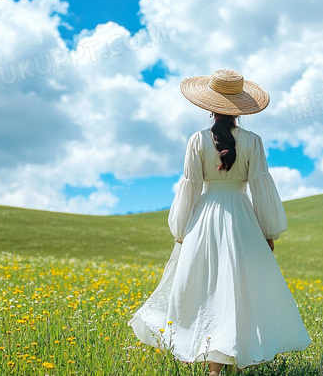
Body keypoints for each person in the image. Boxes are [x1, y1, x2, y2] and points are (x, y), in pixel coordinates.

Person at [128, 69, 311, 375]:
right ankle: (231, 358)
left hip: (205, 217)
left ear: (209, 106)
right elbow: (260, 186)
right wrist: (268, 230)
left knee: (204, 286)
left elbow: (191, 185)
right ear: (240, 108)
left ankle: (212, 360)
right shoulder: (253, 141)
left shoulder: (197, 140)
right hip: (241, 217)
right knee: (238, 287)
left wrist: (181, 229)